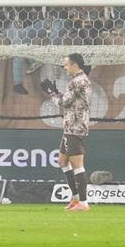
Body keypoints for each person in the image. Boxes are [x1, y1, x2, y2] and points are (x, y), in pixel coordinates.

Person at [41, 53, 93, 213]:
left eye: (66, 64)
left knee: (77, 165)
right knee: (62, 161)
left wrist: (51, 93)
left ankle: (83, 202)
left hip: (75, 126)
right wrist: (56, 91)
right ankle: (76, 197)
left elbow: (63, 103)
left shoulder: (77, 81)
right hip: (70, 126)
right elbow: (70, 100)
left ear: (75, 65)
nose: (64, 67)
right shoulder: (81, 80)